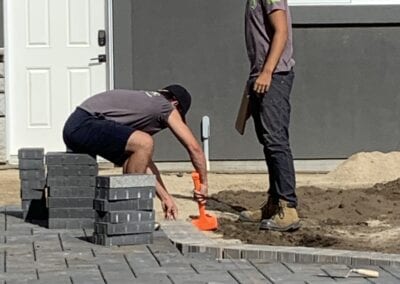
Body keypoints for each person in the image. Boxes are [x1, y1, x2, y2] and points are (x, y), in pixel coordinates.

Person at [63, 85, 208, 220]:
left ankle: (124, 216)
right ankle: (129, 212)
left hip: (76, 127)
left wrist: (165, 197)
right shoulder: (165, 106)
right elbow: (194, 148)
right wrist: (204, 183)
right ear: (175, 104)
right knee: (145, 142)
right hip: (84, 124)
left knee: (140, 149)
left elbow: (144, 162)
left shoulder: (146, 104)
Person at [240, 0, 300, 231]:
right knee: (268, 141)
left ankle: (288, 207)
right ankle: (274, 203)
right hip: (262, 75)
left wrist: (266, 72)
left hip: (275, 75)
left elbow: (281, 30)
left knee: (276, 141)